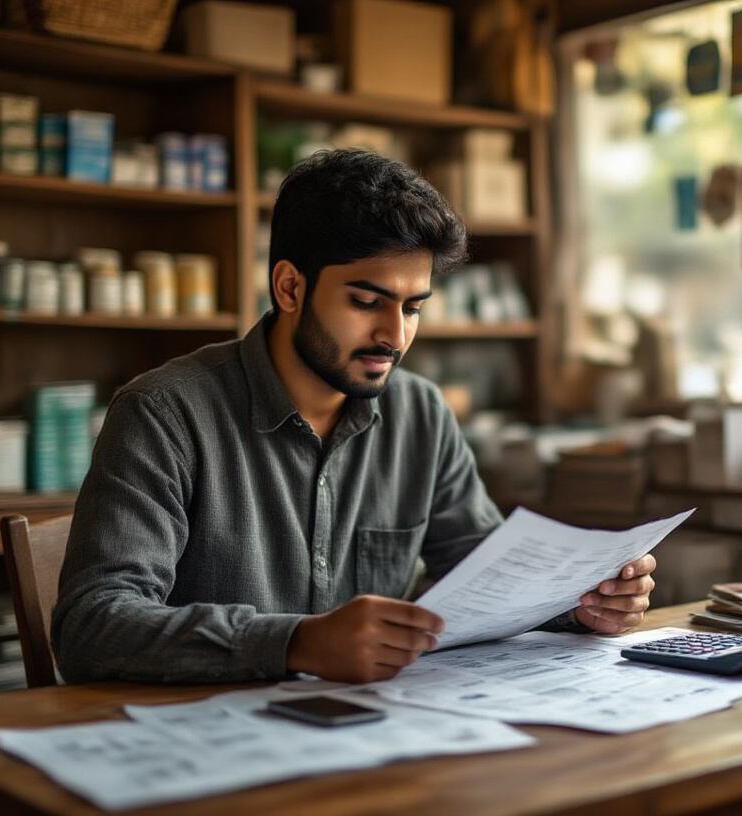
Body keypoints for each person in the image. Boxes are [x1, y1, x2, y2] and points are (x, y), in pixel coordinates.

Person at [52, 148, 656, 685]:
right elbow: (92, 625)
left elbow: (484, 577)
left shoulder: (420, 413)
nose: (393, 335)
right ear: (289, 288)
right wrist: (296, 642)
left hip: (377, 737)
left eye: (413, 308)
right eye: (367, 302)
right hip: (199, 750)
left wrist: (579, 602)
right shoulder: (164, 414)